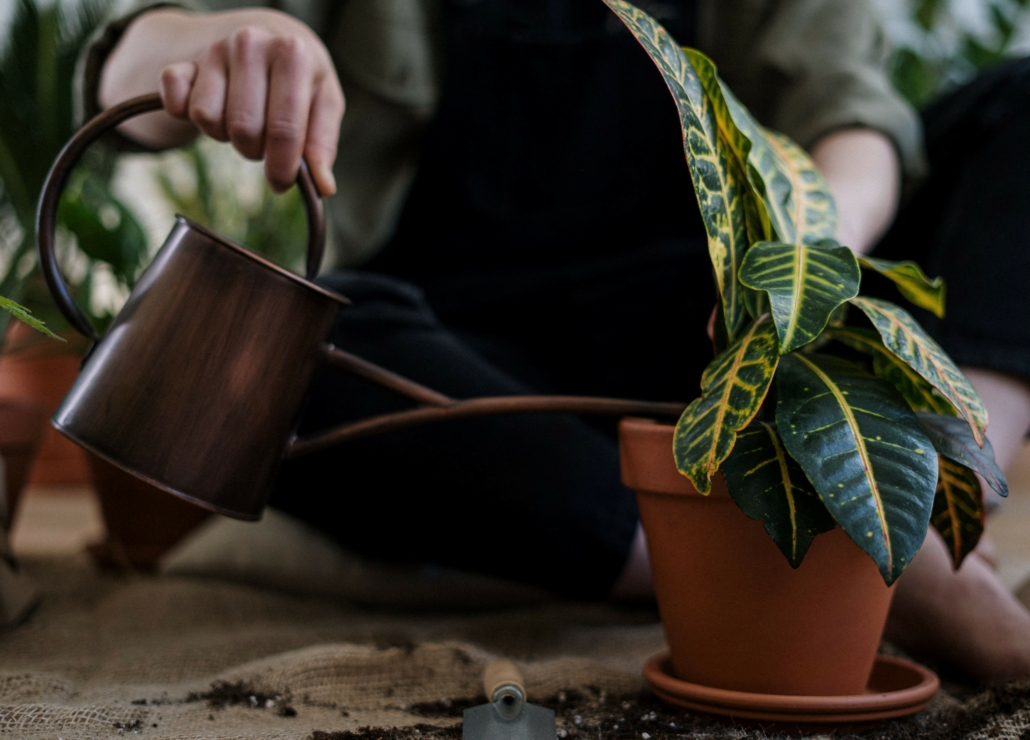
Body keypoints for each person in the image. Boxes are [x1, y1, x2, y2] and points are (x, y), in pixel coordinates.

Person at [86, 0, 1030, 680]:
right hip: (467, 350)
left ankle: (949, 497)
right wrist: (218, 42)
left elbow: (853, 114)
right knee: (286, 360)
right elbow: (123, 67)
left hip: (719, 337)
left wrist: (800, 267)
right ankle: (787, 560)